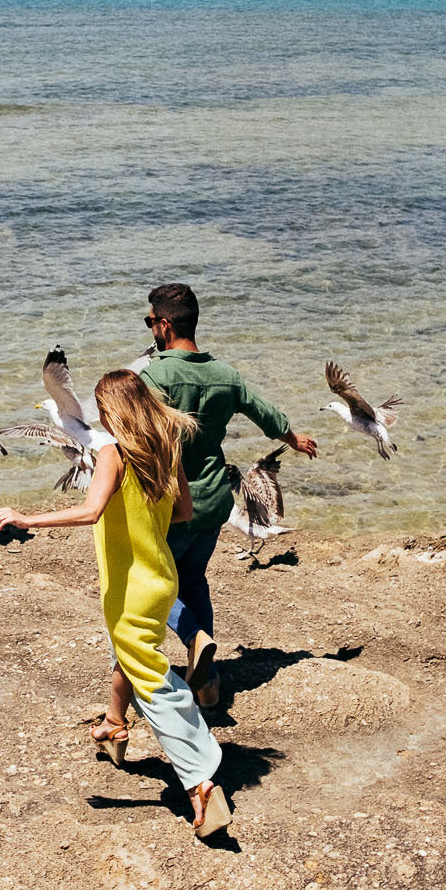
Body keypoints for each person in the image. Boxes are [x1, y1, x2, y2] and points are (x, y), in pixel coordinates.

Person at [0, 370, 231, 837]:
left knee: (156, 686)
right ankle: (113, 726)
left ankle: (201, 783)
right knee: (134, 654)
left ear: (110, 412)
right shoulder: (166, 448)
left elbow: (91, 510)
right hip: (162, 576)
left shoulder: (113, 453)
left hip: (130, 585)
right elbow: (183, 512)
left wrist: (26, 519)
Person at [138, 283, 316, 706]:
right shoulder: (226, 376)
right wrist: (293, 438)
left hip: (172, 502)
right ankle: (208, 682)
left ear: (164, 325)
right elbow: (264, 412)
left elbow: (136, 437)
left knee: (155, 584)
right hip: (214, 498)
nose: (149, 329)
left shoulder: (153, 375)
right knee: (193, 578)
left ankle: (194, 639)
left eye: (149, 322)